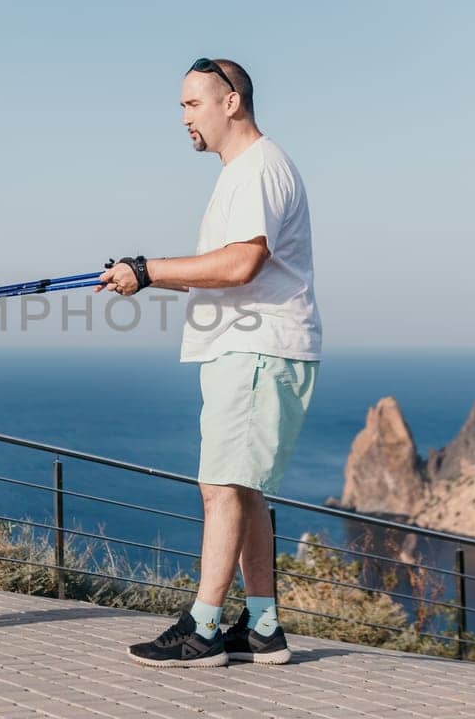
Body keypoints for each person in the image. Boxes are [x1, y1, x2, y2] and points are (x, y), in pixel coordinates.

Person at [98, 57, 321, 668]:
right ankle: (263, 627)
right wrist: (141, 276)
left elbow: (239, 265)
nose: (184, 118)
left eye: (192, 104)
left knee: (221, 488)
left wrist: (148, 271)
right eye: (181, 107)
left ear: (232, 102)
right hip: (251, 348)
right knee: (242, 490)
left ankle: (202, 631)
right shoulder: (243, 173)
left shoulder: (257, 170)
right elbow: (220, 271)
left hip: (255, 349)